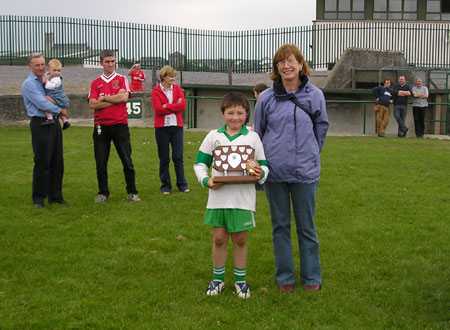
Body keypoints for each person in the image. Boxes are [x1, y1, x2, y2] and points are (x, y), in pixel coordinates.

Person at [254, 44, 329, 293]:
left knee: (307, 227)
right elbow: (260, 133)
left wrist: (309, 153)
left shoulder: (315, 95)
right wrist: (266, 162)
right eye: (281, 62)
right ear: (276, 68)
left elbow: (321, 127)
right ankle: (284, 277)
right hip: (275, 174)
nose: (287, 66)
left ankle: (311, 278)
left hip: (305, 174)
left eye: (291, 61)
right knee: (280, 227)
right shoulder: (266, 98)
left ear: (300, 64)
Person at [194, 91, 269, 299]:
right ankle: (218, 280)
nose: (235, 118)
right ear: (222, 113)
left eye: (240, 113)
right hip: (218, 197)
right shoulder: (213, 136)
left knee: (240, 239)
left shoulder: (252, 137)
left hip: (243, 198)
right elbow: (200, 164)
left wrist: (261, 174)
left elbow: (263, 165)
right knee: (219, 238)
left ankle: (240, 281)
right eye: (230, 113)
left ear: (247, 114)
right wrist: (207, 180)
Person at [88, 49, 141, 203]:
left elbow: (124, 97)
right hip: (101, 126)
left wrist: (104, 98)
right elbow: (92, 103)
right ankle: (103, 192)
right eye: (107, 62)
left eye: (112, 61)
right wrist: (113, 99)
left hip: (120, 125)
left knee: (127, 160)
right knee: (101, 162)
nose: (110, 64)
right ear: (101, 63)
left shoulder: (122, 78)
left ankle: (132, 191)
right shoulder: (95, 83)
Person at [21, 53, 68, 208]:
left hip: (53, 123)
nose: (41, 68)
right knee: (42, 161)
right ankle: (39, 199)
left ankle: (56, 196)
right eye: (37, 65)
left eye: (42, 64)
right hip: (40, 123)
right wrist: (61, 110)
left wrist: (59, 110)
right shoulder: (29, 84)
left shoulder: (49, 79)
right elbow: (42, 103)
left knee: (57, 161)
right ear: (30, 67)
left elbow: (59, 94)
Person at [151, 65, 189, 195]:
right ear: (164, 77)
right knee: (164, 158)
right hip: (162, 128)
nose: (173, 79)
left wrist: (167, 105)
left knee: (178, 156)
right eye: (171, 76)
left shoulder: (178, 89)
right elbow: (158, 110)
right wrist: (175, 106)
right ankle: (165, 186)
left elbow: (182, 105)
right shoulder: (156, 91)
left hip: (176, 127)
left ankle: (182, 184)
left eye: (174, 77)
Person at [42, 59, 71, 129]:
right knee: (58, 108)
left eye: (58, 71)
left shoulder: (57, 79)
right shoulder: (48, 75)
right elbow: (43, 79)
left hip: (58, 97)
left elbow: (49, 86)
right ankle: (65, 121)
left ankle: (49, 118)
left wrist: (46, 80)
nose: (57, 72)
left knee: (45, 102)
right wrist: (46, 78)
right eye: (54, 70)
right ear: (48, 69)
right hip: (56, 97)